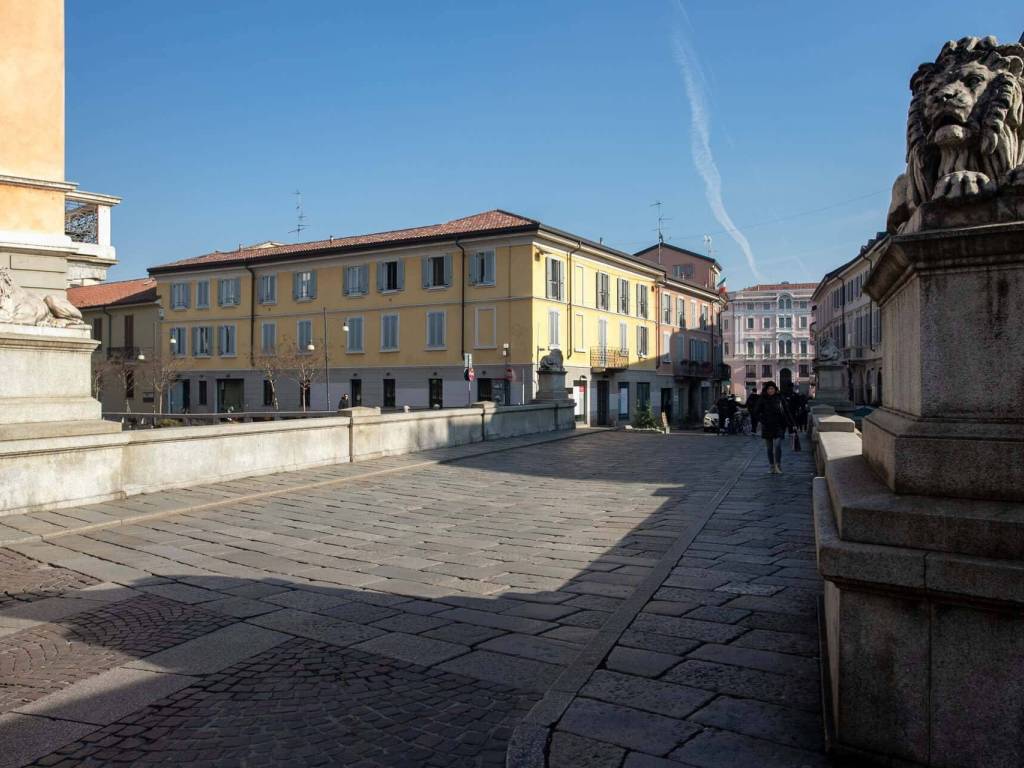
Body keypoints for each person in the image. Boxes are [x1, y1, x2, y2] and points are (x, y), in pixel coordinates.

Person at [754, 381, 795, 474]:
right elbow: (756, 412)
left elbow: (787, 411)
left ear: (775, 389)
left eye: (772, 388)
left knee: (777, 445)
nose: (770, 390)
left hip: (779, 425)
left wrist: (792, 424)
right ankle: (772, 466)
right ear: (766, 390)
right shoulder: (762, 399)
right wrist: (762, 420)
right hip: (767, 426)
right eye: (769, 389)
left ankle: (778, 465)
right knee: (769, 448)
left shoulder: (780, 398)